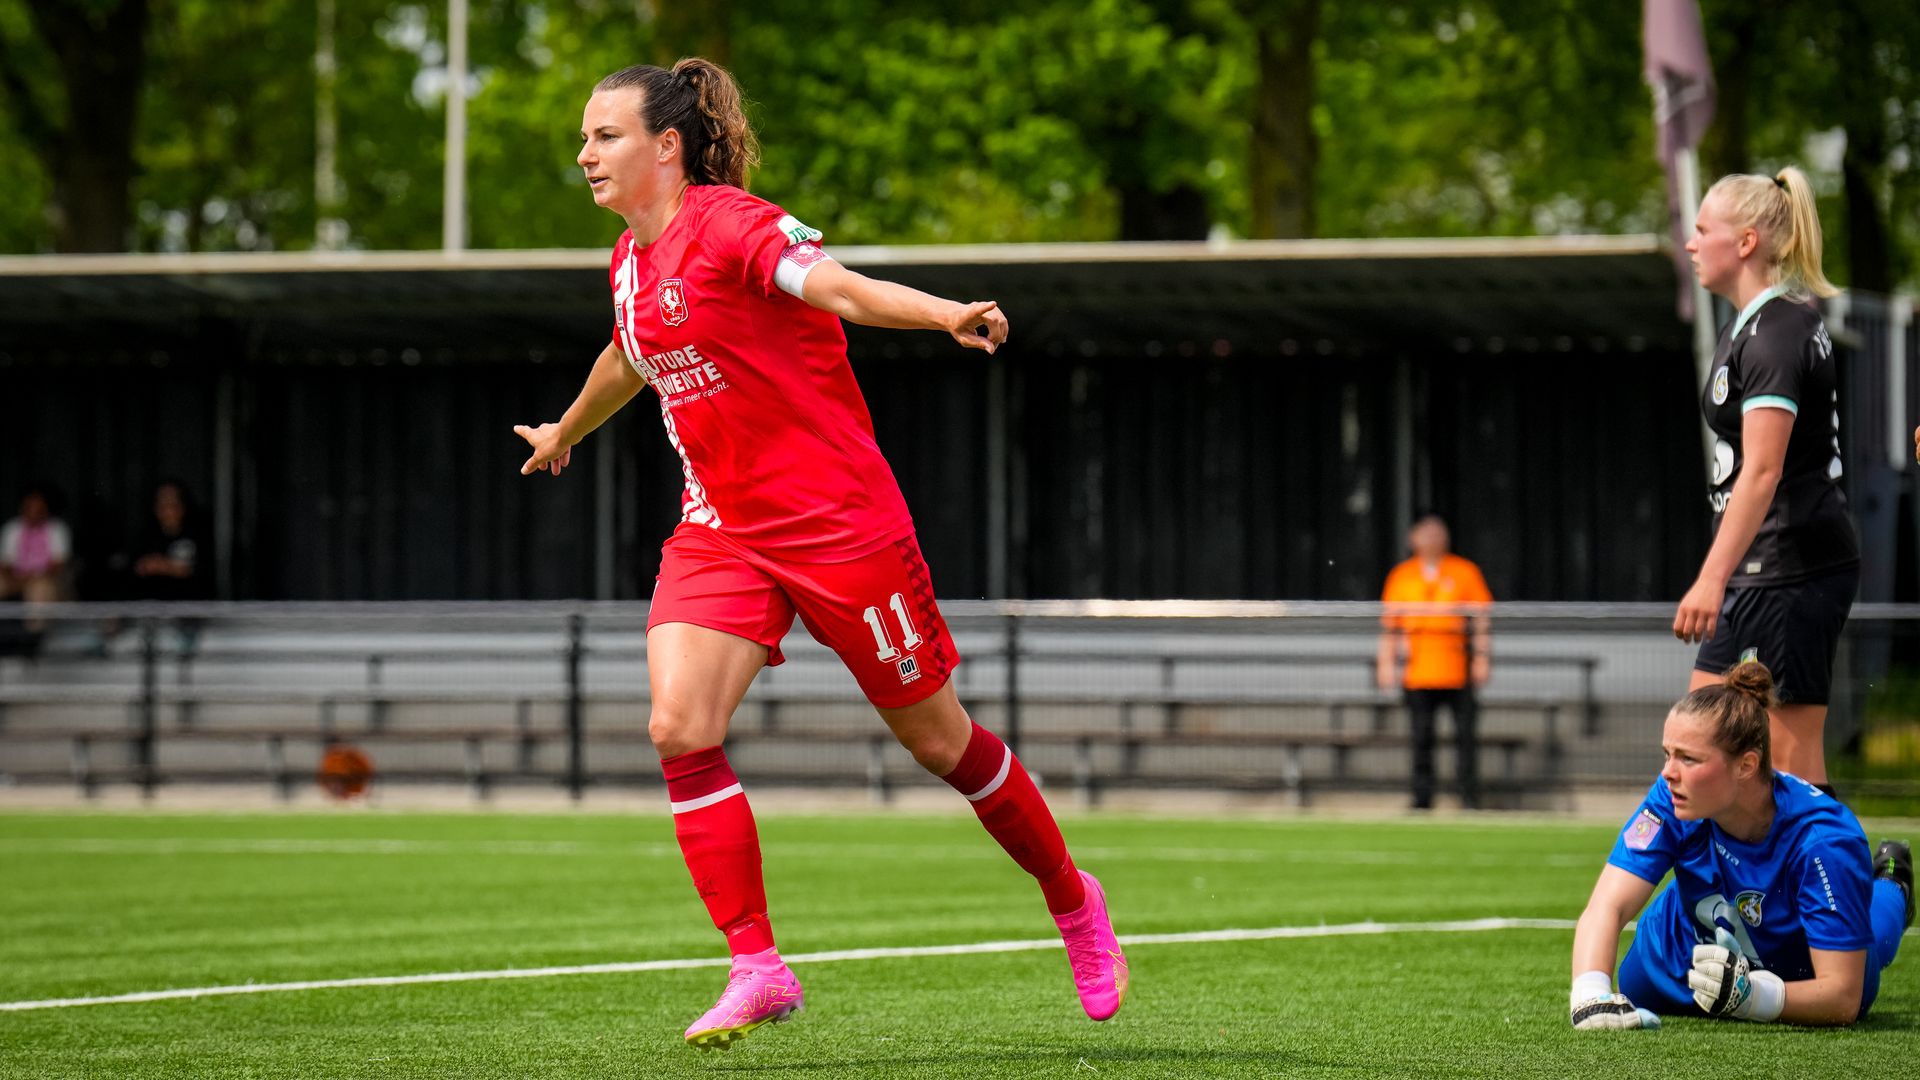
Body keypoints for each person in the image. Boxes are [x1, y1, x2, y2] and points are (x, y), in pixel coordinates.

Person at [511, 58, 1126, 1050]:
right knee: (678, 723)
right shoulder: (629, 260)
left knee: (940, 745)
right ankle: (756, 965)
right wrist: (567, 429)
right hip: (722, 525)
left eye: (604, 135)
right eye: (585, 138)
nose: (584, 153)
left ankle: (1071, 898)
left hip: (839, 523)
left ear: (666, 146)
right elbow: (630, 350)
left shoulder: (736, 225)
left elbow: (832, 285)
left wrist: (942, 314)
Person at [1568, 662, 1911, 1029]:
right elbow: (1608, 904)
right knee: (1633, 981)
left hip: (1795, 976)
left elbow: (1842, 997)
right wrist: (1590, 994)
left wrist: (1752, 998)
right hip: (1674, 964)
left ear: (1747, 765)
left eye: (1688, 758)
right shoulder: (1672, 795)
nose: (1668, 771)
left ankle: (1893, 883)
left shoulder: (1825, 840)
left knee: (1874, 932)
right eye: (1668, 754)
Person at [1674, 167, 1858, 795]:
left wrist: (1710, 576)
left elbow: (1763, 470)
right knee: (1698, 743)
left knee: (1788, 761)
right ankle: (1729, 894)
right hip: (1760, 568)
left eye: (1703, 230)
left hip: (1794, 564)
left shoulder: (1779, 331)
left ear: (1746, 241)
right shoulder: (1746, 327)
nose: (1692, 244)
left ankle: (1859, 892)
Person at [1376, 513, 1492, 810]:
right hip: (1419, 671)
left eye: (1437, 532)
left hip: (1457, 668)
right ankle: (1422, 798)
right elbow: (1390, 626)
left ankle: (1468, 798)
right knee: (1421, 738)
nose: (1432, 538)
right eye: (1425, 532)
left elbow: (1481, 619)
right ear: (1412, 538)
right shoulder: (1402, 575)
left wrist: (1481, 658)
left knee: (1465, 738)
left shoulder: (1464, 571)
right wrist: (1386, 663)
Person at [126, 481, 211, 602]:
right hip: (153, 608)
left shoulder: (200, 534)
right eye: (162, 503)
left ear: (183, 506)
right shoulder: (145, 536)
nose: (167, 509)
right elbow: (133, 570)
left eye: (173, 503)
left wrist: (167, 567)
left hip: (190, 608)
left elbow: (205, 572)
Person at [0, 486, 73, 605]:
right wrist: (15, 579)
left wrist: (34, 577)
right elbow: (5, 563)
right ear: (22, 509)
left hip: (44, 579)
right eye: (29, 508)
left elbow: (58, 565)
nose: (33, 513)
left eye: (39, 509)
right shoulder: (12, 528)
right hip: (16, 578)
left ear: (46, 510)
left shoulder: (57, 529)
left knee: (39, 590)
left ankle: (36, 624)